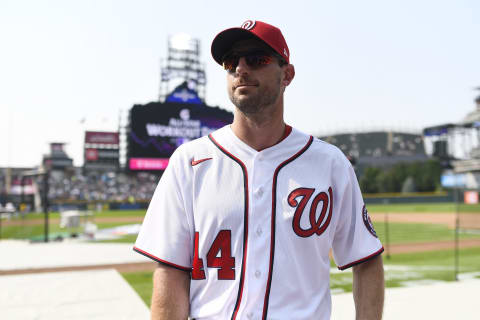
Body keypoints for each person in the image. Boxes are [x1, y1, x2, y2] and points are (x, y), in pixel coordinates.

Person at [134, 20, 384, 320]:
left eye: (256, 59)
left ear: (287, 75)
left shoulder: (330, 163)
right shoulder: (189, 161)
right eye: (230, 63)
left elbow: (366, 260)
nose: (240, 69)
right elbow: (170, 271)